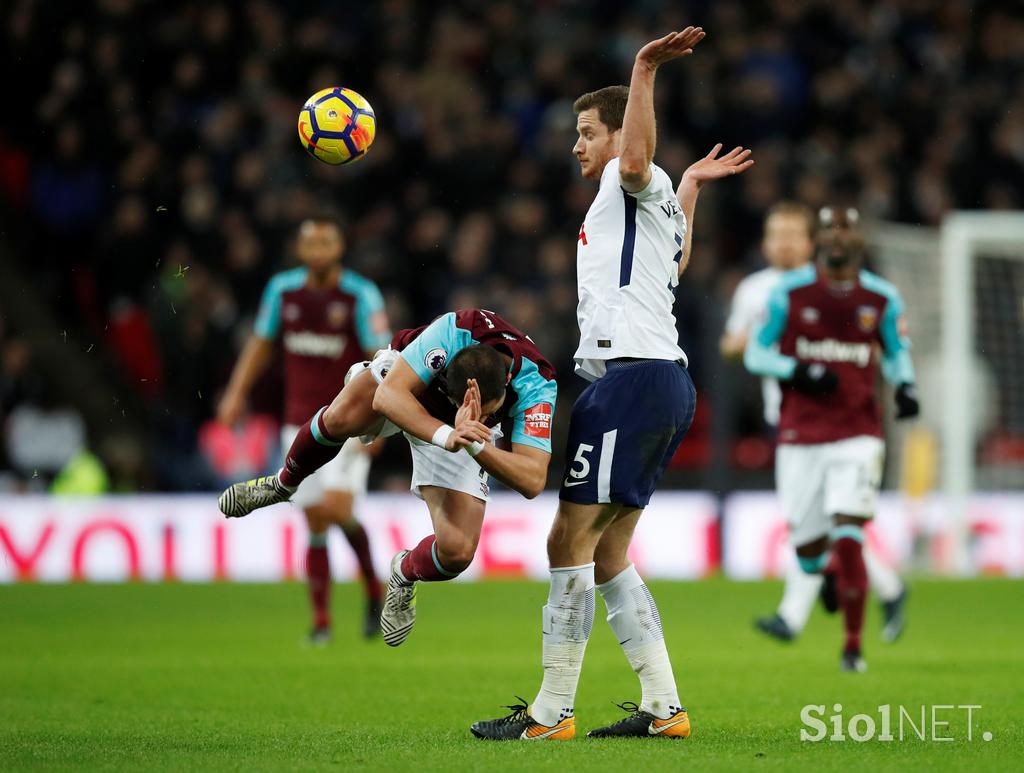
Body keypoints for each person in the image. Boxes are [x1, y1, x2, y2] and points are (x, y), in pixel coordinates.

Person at [471, 27, 753, 742]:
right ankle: (665, 707)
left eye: (586, 132)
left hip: (629, 381)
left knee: (566, 541)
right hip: (660, 382)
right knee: (608, 551)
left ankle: (549, 713)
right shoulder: (651, 199)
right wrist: (688, 187)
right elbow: (676, 265)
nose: (578, 145)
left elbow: (634, 157)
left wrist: (643, 68)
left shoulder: (626, 178)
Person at [218, 308, 557, 647]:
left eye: (491, 411)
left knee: (458, 552)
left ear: (508, 383)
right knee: (340, 417)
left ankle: (405, 571)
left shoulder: (537, 383)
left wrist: (476, 444)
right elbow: (388, 395)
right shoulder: (454, 330)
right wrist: (446, 434)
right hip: (411, 391)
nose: (486, 412)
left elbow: (532, 479)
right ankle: (283, 484)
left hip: (468, 434)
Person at [721, 203, 909, 644]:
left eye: (792, 235)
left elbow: (886, 337)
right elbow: (733, 345)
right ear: (765, 242)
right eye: (776, 234)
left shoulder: (832, 287)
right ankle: (887, 587)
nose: (784, 243)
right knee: (815, 522)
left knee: (828, 521)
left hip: (841, 421)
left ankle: (793, 615)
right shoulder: (755, 290)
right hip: (784, 416)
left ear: (810, 243)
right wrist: (766, 341)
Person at [217, 215, 390, 643]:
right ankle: (322, 623)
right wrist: (236, 392)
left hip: (347, 421)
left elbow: (382, 361)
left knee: (335, 508)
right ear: (301, 249)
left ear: (339, 248)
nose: (317, 251)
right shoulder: (283, 291)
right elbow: (261, 343)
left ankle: (375, 592)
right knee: (314, 519)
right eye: (309, 243)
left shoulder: (360, 296)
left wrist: (380, 422)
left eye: (325, 242)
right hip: (298, 423)